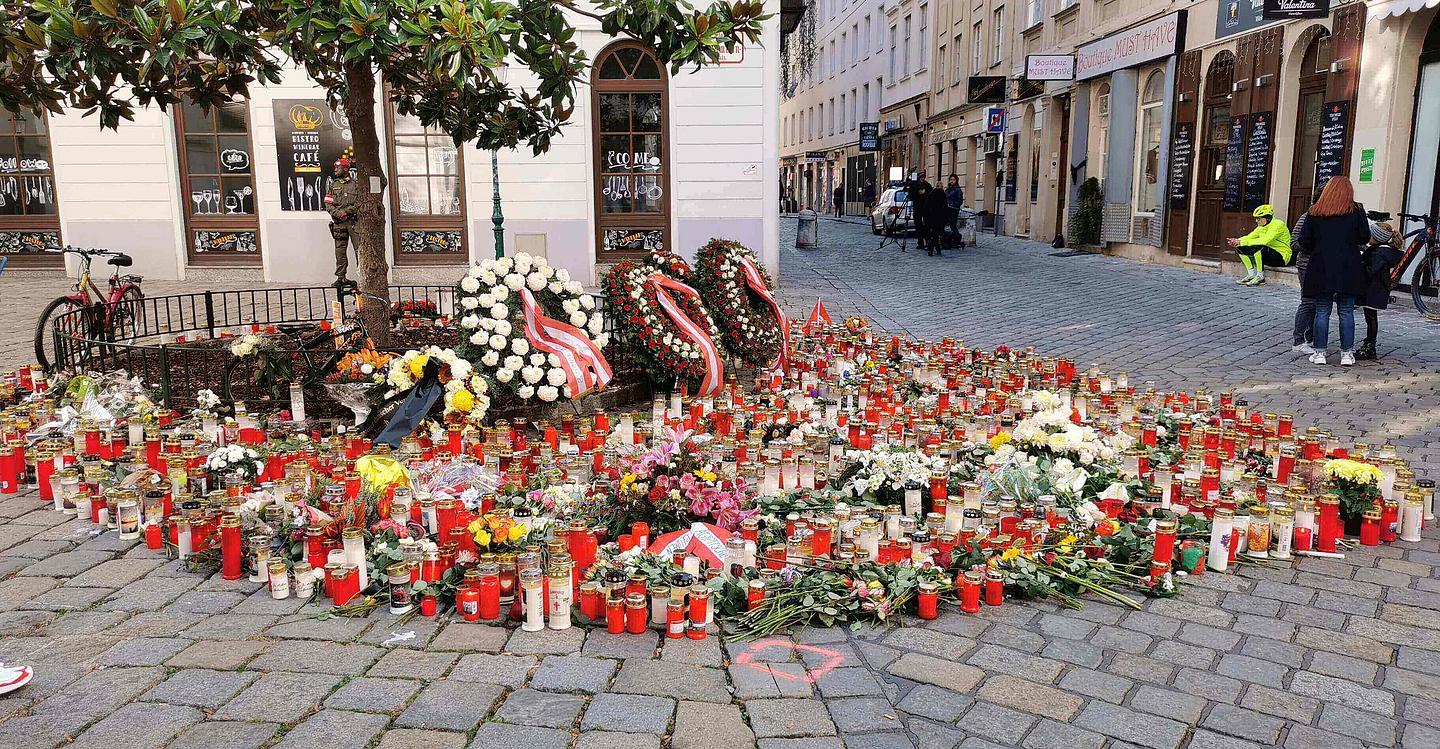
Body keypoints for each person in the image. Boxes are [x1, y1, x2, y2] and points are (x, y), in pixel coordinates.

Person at [1295, 176, 1370, 366]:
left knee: (1322, 310)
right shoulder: (1357, 210)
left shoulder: (1316, 211)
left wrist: (1320, 246)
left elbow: (1304, 240)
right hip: (1349, 264)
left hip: (1321, 264)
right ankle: (1347, 354)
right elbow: (1364, 237)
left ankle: (1320, 353)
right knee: (1346, 311)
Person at [1358, 221, 1403, 361]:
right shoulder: (1385, 251)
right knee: (1371, 318)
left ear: (1376, 237)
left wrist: (1361, 265)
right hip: (1376, 290)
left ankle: (1370, 346)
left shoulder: (1379, 253)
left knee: (1371, 318)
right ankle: (1369, 344)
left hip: (1374, 291)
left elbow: (1372, 271)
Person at [1289, 190, 1322, 354]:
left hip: (1322, 265)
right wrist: (1315, 245)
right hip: (1306, 264)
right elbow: (1294, 243)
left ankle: (1311, 337)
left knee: (1317, 303)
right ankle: (1298, 340)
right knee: (1308, 301)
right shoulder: (1307, 216)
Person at [1227, 204, 1292, 286]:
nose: (1256, 221)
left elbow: (1265, 241)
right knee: (1240, 247)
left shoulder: (1278, 225)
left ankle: (1260, 277)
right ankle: (1251, 275)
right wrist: (1237, 241)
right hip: (1268, 255)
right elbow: (1250, 237)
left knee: (1260, 247)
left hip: (1282, 257)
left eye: (1259, 218)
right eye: (1256, 218)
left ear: (1267, 218)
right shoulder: (1261, 227)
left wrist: (1241, 242)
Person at [324, 157, 359, 288]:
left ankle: (363, 277)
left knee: (359, 250)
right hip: (339, 223)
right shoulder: (333, 185)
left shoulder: (356, 184)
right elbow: (328, 203)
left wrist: (347, 212)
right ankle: (341, 277)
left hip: (353, 222)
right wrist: (337, 213)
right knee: (340, 251)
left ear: (345, 168)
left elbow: (359, 202)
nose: (335, 170)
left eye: (338, 168)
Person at [922, 182, 950, 256]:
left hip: (932, 219)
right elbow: (945, 209)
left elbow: (926, 208)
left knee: (933, 235)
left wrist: (926, 219)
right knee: (936, 235)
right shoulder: (942, 195)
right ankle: (935, 250)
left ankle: (933, 250)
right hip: (939, 219)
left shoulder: (932, 195)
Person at [945, 176, 964, 245]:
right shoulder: (948, 189)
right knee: (948, 225)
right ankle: (952, 239)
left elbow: (959, 201)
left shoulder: (958, 190)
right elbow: (945, 196)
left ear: (956, 180)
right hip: (947, 209)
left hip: (953, 210)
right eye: (951, 179)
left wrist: (952, 204)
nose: (952, 181)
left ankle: (957, 237)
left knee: (953, 225)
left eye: (953, 180)